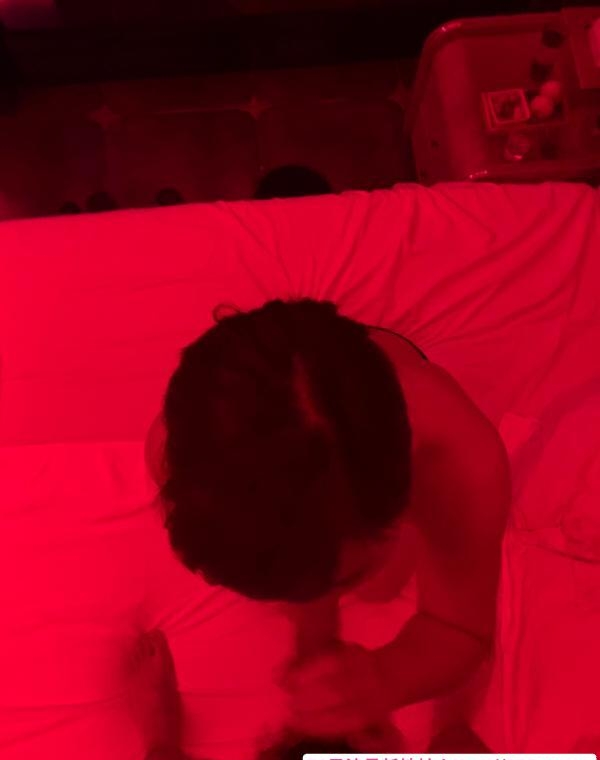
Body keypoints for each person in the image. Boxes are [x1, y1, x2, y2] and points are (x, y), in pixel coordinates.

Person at [146, 298, 511, 749]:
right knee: (371, 585)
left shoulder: (461, 461)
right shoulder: (175, 455)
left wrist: (390, 676)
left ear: (405, 500)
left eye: (341, 578)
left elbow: (459, 626)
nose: (305, 603)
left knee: (380, 589)